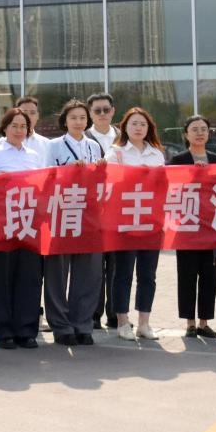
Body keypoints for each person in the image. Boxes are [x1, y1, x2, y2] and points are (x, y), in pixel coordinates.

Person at [42, 99, 105, 346]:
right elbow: (46, 176)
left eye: (82, 118)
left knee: (88, 272)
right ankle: (60, 325)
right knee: (58, 271)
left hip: (89, 214)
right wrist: (69, 170)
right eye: (73, 118)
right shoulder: (54, 145)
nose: (78, 122)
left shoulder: (94, 146)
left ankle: (82, 323)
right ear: (65, 121)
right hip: (62, 211)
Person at [0, 108, 44, 349]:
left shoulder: (35, 156)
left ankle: (26, 330)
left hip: (28, 224)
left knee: (29, 277)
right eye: (14, 125)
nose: (19, 130)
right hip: (1, 225)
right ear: (4, 128)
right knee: (1, 278)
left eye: (23, 126)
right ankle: (3, 330)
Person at [106, 107, 167, 341]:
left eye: (143, 124)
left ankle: (144, 323)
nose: (138, 128)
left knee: (148, 274)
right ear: (125, 127)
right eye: (134, 123)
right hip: (125, 220)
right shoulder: (116, 152)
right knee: (123, 273)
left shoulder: (156, 154)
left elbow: (164, 186)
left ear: (149, 128)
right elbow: (108, 182)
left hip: (151, 220)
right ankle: (122, 322)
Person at [169, 115, 216, 339]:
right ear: (186, 134)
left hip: (211, 228)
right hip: (187, 227)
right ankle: (190, 323)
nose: (200, 133)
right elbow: (170, 187)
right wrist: (192, 174)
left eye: (203, 129)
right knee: (187, 275)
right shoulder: (178, 160)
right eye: (195, 129)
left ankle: (204, 322)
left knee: (209, 275)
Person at [86, 92, 119, 330]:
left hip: (119, 209)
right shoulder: (84, 138)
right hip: (93, 210)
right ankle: (93, 313)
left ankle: (116, 313)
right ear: (90, 113)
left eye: (106, 110)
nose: (102, 114)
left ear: (113, 111)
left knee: (118, 266)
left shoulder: (124, 137)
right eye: (97, 110)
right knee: (94, 266)